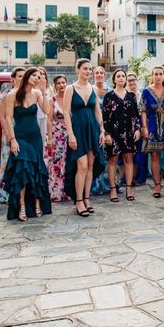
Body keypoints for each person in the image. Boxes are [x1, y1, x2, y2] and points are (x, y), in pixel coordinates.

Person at [2, 67, 52, 222]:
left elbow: (46, 111)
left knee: (36, 169)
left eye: (39, 76)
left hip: (35, 136)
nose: (37, 78)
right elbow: (9, 118)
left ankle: (37, 203)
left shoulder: (37, 94)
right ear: (27, 77)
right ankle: (22, 206)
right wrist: (12, 139)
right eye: (34, 75)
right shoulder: (12, 95)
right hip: (20, 136)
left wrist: (43, 92)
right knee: (22, 170)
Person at [63, 59, 106, 216]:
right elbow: (66, 112)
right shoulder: (70, 88)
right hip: (78, 130)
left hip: (92, 129)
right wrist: (71, 134)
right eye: (85, 68)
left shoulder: (93, 88)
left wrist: (102, 130)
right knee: (81, 165)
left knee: (90, 166)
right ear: (78, 70)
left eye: (90, 69)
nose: (88, 71)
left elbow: (97, 111)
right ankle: (79, 201)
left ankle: (87, 198)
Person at [102, 69, 141, 201]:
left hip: (129, 132)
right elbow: (105, 117)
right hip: (113, 133)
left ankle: (129, 188)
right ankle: (113, 189)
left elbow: (136, 115)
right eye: (118, 76)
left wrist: (137, 129)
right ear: (114, 79)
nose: (121, 78)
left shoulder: (131, 96)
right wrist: (106, 133)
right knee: (113, 160)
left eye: (123, 76)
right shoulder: (109, 96)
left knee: (128, 159)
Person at [140, 66, 164, 198]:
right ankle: (157, 185)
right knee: (154, 156)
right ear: (152, 76)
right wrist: (144, 127)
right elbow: (143, 110)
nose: (158, 76)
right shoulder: (146, 91)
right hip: (153, 128)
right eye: (156, 74)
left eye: (161, 74)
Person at [0, 67, 25, 203]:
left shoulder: (27, 94)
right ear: (13, 79)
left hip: (23, 131)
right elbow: (3, 117)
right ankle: (5, 193)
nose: (22, 78)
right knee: (7, 163)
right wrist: (8, 135)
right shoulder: (6, 94)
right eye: (19, 76)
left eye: (23, 76)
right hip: (10, 131)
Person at [45, 75, 69, 202]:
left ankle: (67, 191)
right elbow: (49, 120)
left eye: (63, 82)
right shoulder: (51, 100)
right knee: (56, 163)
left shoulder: (70, 99)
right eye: (59, 83)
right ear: (55, 85)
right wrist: (49, 138)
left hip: (70, 133)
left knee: (68, 162)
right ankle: (56, 192)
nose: (61, 85)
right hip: (57, 133)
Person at [91, 65, 112, 195]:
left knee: (109, 155)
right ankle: (94, 184)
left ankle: (108, 183)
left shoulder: (110, 91)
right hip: (94, 125)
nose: (99, 75)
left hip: (109, 125)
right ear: (93, 75)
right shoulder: (90, 89)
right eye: (96, 73)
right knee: (96, 154)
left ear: (104, 75)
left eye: (101, 73)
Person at [126, 72, 149, 186]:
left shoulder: (141, 94)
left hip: (140, 123)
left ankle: (139, 177)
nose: (131, 82)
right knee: (128, 152)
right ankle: (127, 178)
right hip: (126, 125)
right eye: (129, 80)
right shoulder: (124, 94)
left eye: (133, 79)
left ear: (137, 80)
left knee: (141, 151)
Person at [37, 66, 51, 144]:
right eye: (39, 74)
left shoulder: (49, 89)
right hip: (36, 116)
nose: (41, 75)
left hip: (45, 117)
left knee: (43, 140)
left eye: (43, 73)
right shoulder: (34, 89)